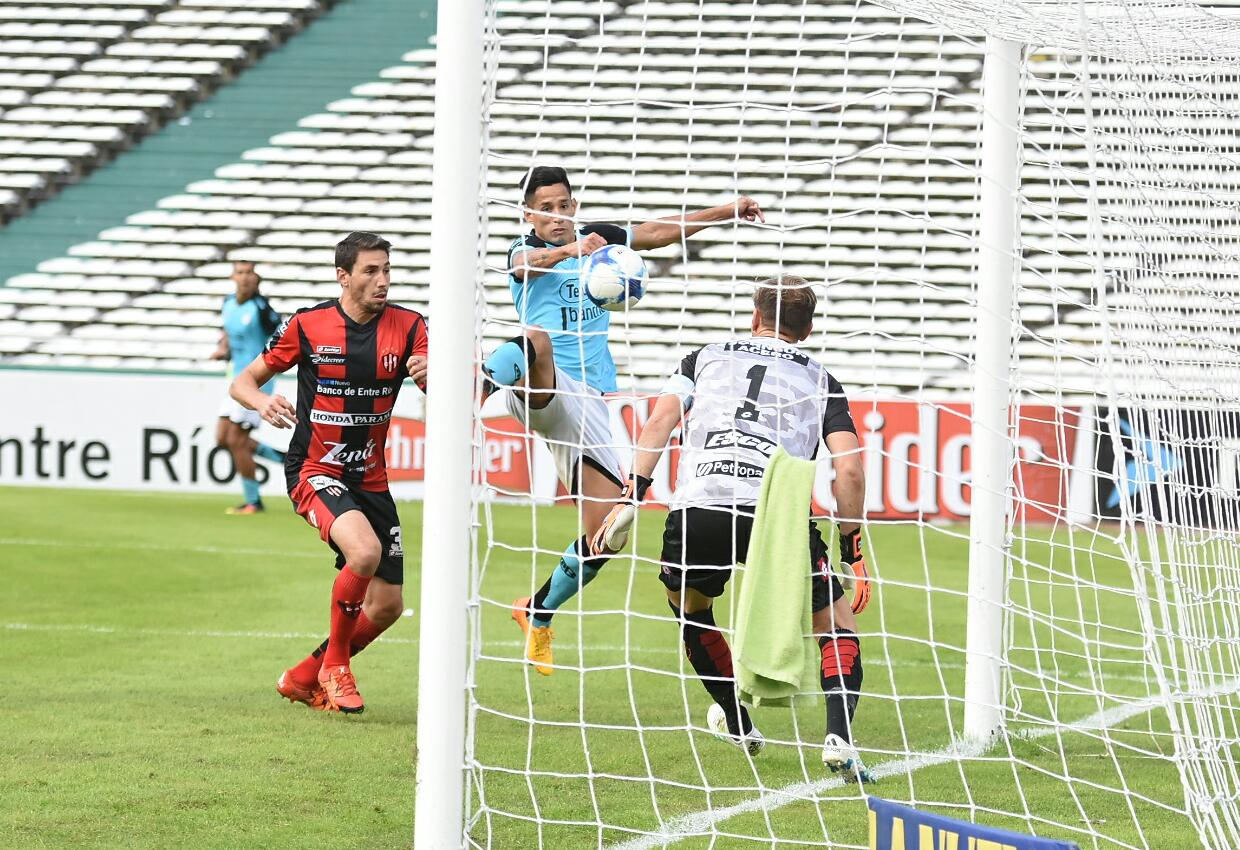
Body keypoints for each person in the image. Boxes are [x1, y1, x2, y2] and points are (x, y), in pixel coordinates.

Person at [482, 164, 766, 677]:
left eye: (564, 205)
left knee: (610, 532)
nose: (558, 215)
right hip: (542, 382)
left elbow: (656, 232)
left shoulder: (600, 240)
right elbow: (528, 265)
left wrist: (728, 211)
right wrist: (573, 251)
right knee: (538, 341)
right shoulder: (521, 248)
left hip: (587, 402)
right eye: (546, 208)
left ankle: (538, 610)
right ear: (529, 212)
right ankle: (470, 393)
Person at [592, 277, 874, 782]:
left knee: (692, 609)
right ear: (807, 329)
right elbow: (849, 468)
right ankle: (839, 739)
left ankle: (738, 721)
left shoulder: (704, 357)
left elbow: (658, 422)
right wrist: (851, 546)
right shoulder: (819, 377)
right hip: (776, 514)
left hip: (701, 501)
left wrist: (631, 494)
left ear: (754, 317)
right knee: (834, 623)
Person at [230, 232, 429, 714]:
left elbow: (446, 394)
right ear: (343, 276)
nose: (383, 280)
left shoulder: (410, 327)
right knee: (363, 552)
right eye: (370, 271)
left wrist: (432, 378)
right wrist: (262, 401)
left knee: (387, 608)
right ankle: (336, 667)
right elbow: (243, 382)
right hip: (315, 468)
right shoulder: (308, 324)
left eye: (386, 270)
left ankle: (302, 677)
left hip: (372, 479)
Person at [209, 260, 286, 514]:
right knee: (222, 439)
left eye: (250, 272)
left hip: (256, 383)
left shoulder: (262, 309)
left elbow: (281, 338)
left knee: (236, 440)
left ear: (257, 279)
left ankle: (253, 501)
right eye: (240, 272)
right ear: (233, 276)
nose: (245, 277)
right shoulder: (228, 303)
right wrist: (223, 349)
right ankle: (285, 459)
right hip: (235, 380)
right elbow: (228, 334)